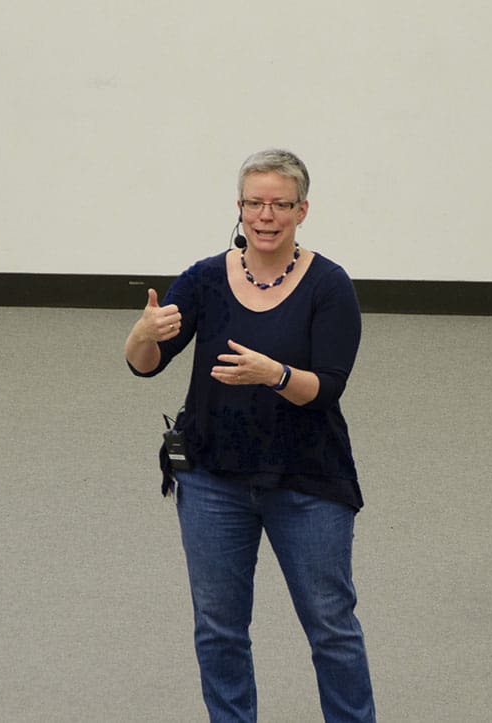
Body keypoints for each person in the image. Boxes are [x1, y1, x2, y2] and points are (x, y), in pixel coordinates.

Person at [125, 148, 375, 722]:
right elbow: (145, 364)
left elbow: (328, 387)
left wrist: (276, 375)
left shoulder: (329, 286)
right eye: (254, 203)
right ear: (239, 208)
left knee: (331, 626)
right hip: (213, 481)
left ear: (302, 210)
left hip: (307, 480)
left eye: (279, 204)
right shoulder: (205, 279)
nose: (266, 215)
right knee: (219, 629)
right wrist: (140, 333)